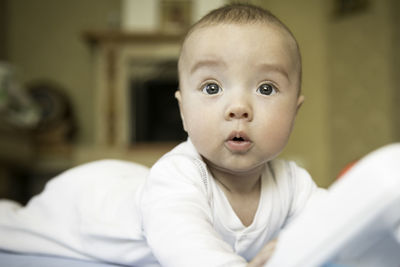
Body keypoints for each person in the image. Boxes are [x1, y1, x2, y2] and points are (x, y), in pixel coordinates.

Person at [0, 3, 324, 267]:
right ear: (183, 111)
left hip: (137, 183)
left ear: (294, 112)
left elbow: (338, 220)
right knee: (11, 227)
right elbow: (186, 245)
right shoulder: (179, 177)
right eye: (212, 87)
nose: (238, 107)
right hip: (87, 203)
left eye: (266, 88)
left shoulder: (293, 184)